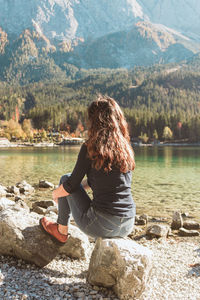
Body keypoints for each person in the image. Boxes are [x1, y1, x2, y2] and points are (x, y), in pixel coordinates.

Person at [40, 95, 136, 245]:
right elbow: (98, 182)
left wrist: (56, 193)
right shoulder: (124, 148)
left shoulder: (90, 147)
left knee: (66, 179)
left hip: (102, 225)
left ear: (94, 121)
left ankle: (61, 231)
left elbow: (71, 185)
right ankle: (61, 227)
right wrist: (72, 190)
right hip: (128, 223)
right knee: (68, 186)